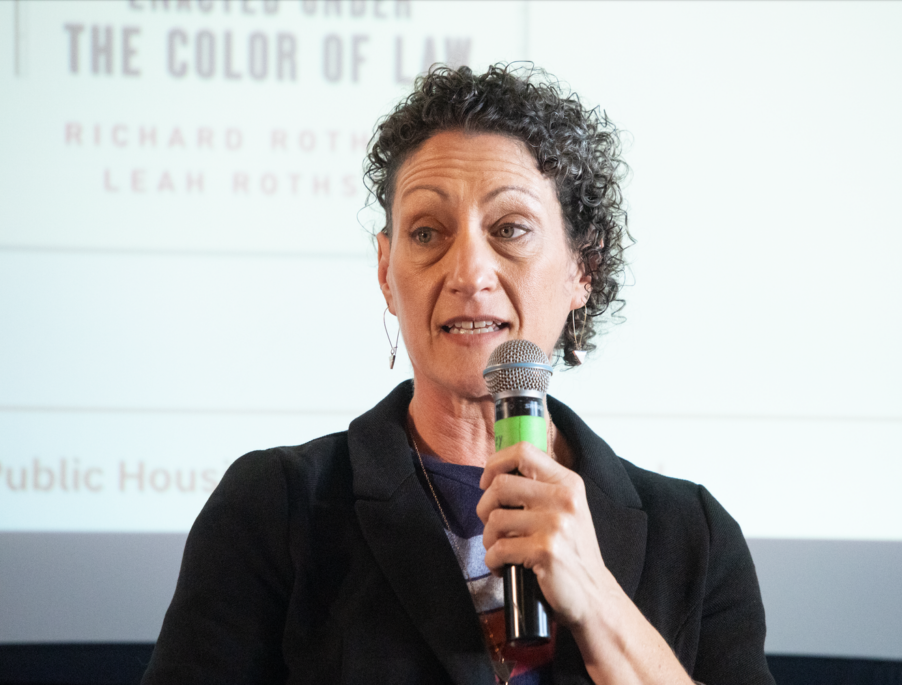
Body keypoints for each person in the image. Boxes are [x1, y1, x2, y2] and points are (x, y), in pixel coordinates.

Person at [142, 64, 775, 685]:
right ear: (387, 271)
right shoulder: (278, 508)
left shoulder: (693, 537)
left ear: (583, 269)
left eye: (509, 230)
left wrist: (599, 600)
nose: (469, 272)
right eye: (426, 232)